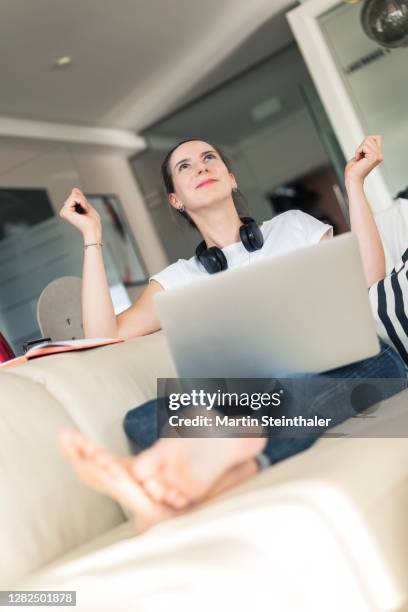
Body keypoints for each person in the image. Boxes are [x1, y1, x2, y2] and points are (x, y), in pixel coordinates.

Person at [58, 137, 406, 533]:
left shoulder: (293, 226)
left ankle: (215, 455)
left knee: (298, 386)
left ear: (231, 178)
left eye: (209, 158)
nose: (201, 167)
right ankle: (223, 469)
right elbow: (103, 335)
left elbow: (369, 278)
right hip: (253, 395)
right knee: (142, 417)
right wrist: (92, 236)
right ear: (175, 200)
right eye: (185, 166)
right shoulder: (178, 279)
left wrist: (355, 184)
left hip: (358, 364)